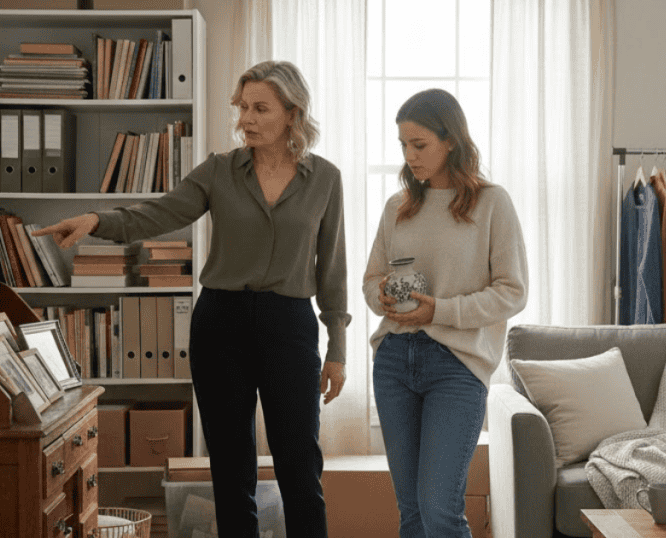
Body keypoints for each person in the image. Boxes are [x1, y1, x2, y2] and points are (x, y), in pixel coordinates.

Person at [32, 60, 349, 538]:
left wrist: (338, 350)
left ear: (292, 112)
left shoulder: (325, 179)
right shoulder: (219, 171)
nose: (247, 118)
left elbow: (332, 270)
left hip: (290, 325)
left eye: (260, 108)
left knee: (299, 465)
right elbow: (158, 214)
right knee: (229, 466)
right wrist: (98, 222)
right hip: (221, 323)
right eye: (243, 107)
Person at [362, 88, 529, 538]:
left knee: (439, 510)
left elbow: (513, 292)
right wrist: (384, 297)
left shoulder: (491, 203)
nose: (409, 156)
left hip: (456, 366)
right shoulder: (397, 207)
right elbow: (369, 282)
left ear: (450, 140)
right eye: (403, 145)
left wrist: (440, 311)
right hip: (395, 360)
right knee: (412, 513)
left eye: (420, 145)